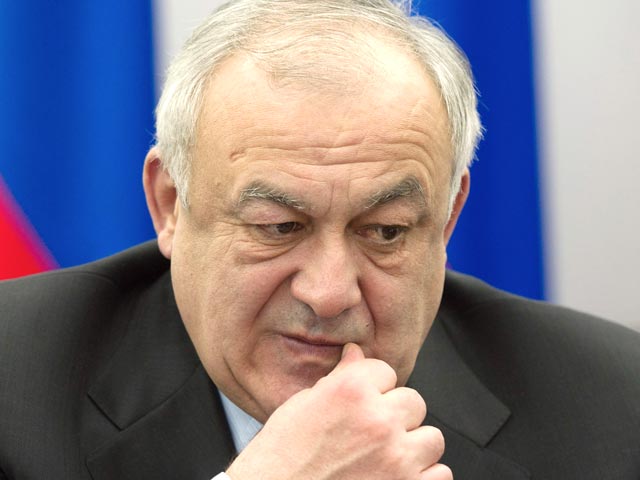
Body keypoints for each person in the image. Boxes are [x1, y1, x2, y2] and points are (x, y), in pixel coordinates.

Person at [1, 0, 639, 478]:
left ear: (447, 220)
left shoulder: (612, 409)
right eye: (278, 228)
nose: (330, 293)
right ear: (171, 204)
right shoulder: (15, 390)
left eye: (386, 231)